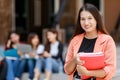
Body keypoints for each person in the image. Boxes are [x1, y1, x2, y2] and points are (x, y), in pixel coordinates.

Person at [64, 3, 116, 80]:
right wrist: (74, 59)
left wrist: (88, 73)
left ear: (96, 19)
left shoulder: (107, 40)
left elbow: (109, 70)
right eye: (83, 19)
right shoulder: (75, 40)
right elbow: (67, 70)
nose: (86, 23)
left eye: (90, 18)